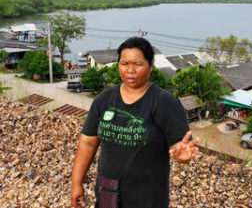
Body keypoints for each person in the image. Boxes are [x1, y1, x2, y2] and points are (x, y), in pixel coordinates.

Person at [71, 37, 200, 208]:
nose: (130, 70)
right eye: (124, 63)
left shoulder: (165, 103)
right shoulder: (104, 100)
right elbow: (88, 142)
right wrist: (76, 183)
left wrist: (182, 157)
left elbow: (180, 146)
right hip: (108, 194)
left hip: (148, 200)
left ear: (150, 66)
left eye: (138, 64)